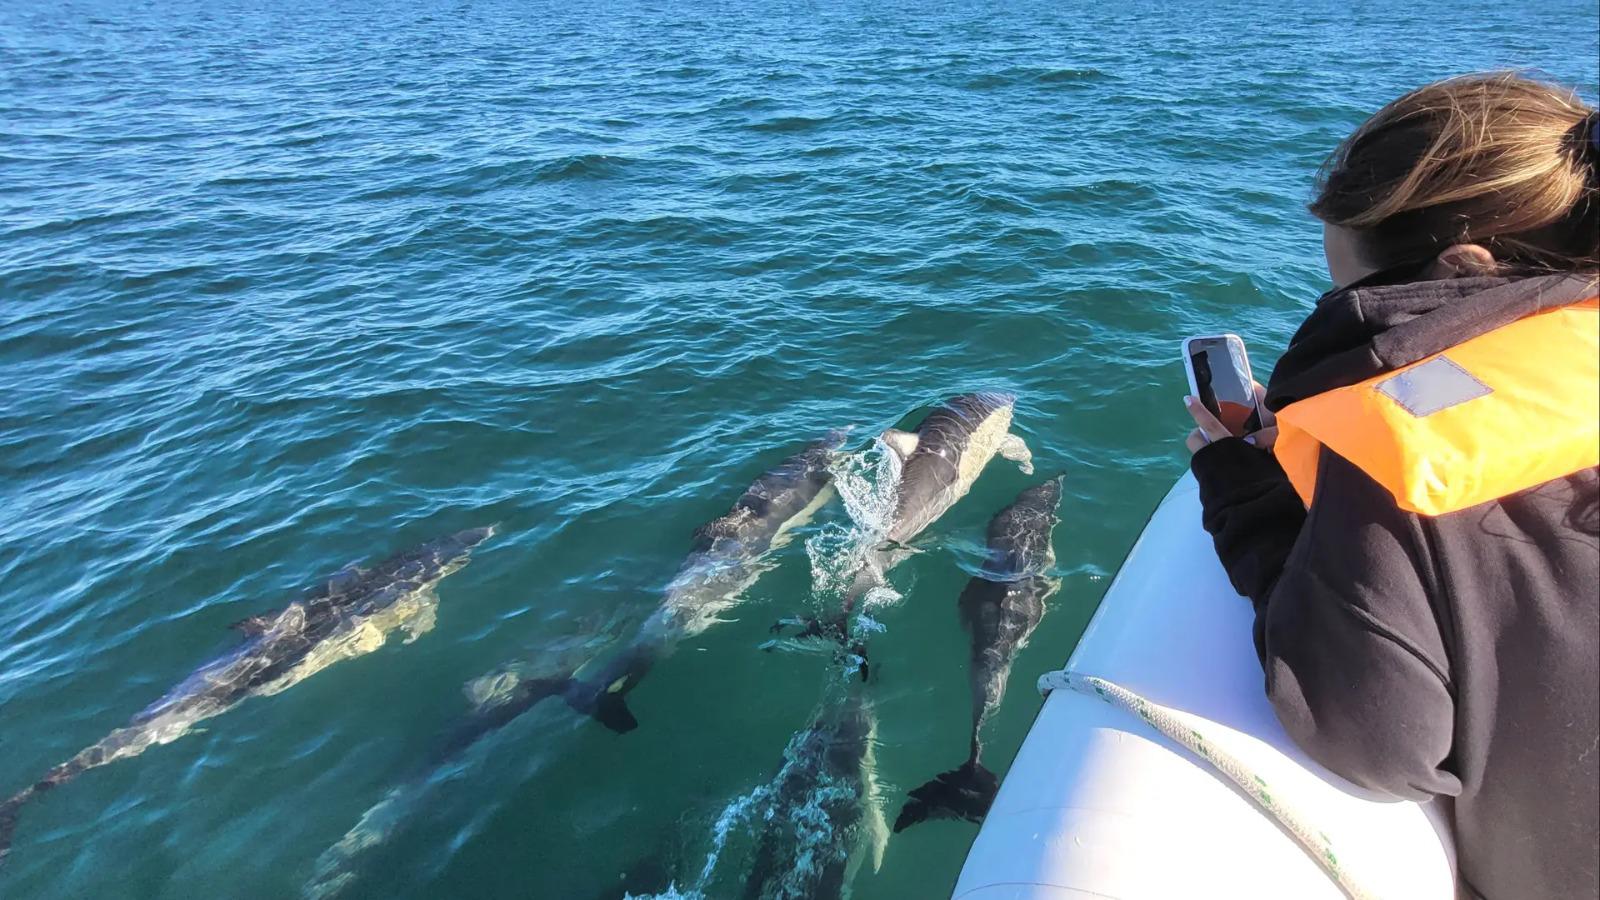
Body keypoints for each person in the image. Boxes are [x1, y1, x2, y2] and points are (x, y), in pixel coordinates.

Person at [1182, 72, 1599, 900]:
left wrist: (1250, 495)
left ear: (1465, 268)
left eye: (1357, 294)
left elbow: (1370, 742)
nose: (1340, 303)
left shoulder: (1397, 459)